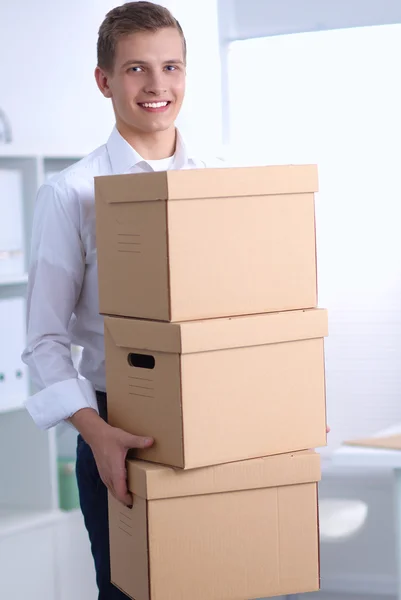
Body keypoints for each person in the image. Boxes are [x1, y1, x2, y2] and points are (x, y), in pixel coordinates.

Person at [21, 2, 223, 598]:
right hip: (122, 429)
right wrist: (97, 433)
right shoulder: (71, 193)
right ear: (104, 81)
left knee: (235, 580)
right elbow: (44, 340)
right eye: (137, 69)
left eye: (171, 67)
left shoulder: (218, 180)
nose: (158, 85)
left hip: (214, 415)